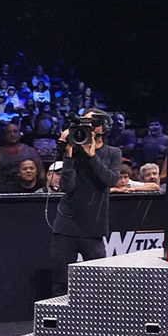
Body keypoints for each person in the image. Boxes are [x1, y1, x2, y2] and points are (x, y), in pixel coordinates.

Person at [49, 110, 121, 296]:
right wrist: (68, 156)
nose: (85, 125)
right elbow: (67, 185)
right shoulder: (74, 150)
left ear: (101, 126)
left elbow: (111, 180)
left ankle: (97, 321)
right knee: (61, 281)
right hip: (66, 226)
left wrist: (91, 156)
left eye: (90, 122)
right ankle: (62, 322)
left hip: (93, 227)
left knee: (98, 282)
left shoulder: (113, 153)